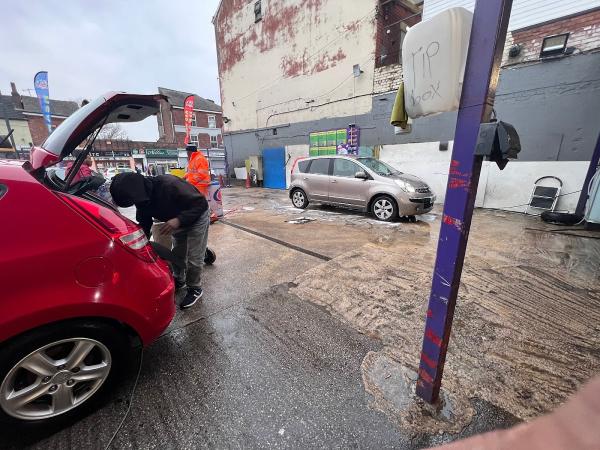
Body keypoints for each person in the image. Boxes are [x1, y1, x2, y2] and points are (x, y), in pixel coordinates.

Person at [109, 172, 210, 309]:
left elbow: (200, 204)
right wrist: (140, 241)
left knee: (194, 257)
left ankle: (194, 288)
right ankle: (179, 280)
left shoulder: (169, 185)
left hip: (196, 216)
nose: (135, 203)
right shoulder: (142, 199)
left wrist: (178, 220)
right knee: (178, 254)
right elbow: (144, 221)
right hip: (176, 221)